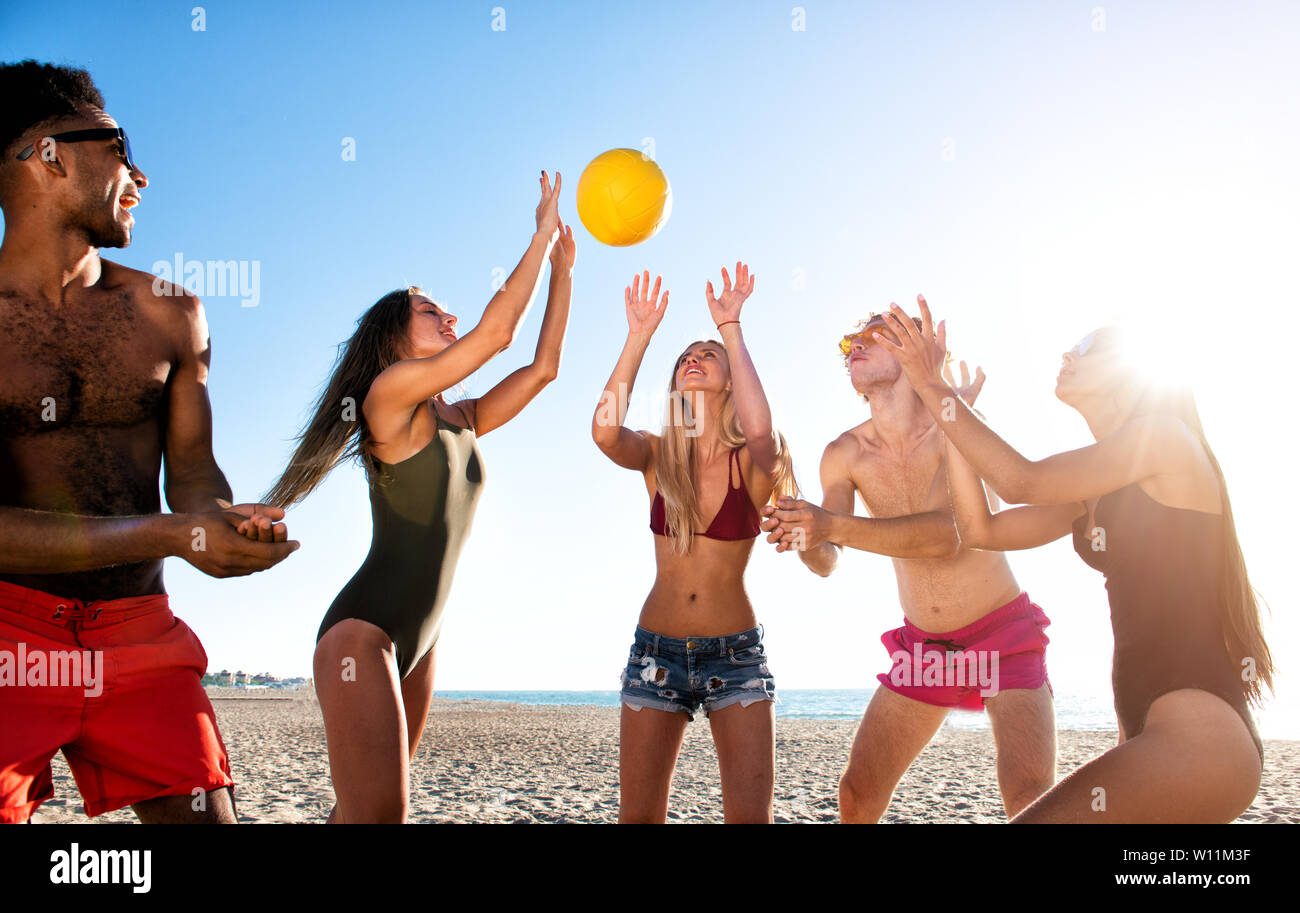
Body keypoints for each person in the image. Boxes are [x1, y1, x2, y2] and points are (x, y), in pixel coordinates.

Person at [0, 60, 298, 824]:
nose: (141, 173)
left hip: (140, 631)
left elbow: (194, 479)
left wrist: (221, 519)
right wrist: (174, 531)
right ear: (50, 157)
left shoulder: (173, 313)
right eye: (120, 145)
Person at [877, 296, 1270, 822]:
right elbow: (981, 529)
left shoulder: (1163, 439)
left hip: (1200, 740)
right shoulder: (1093, 490)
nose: (1068, 352)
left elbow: (1020, 480)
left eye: (1089, 347)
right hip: (1151, 738)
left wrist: (934, 386)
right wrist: (951, 421)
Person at [264, 171, 573, 823]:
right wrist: (539, 233)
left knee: (361, 811)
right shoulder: (389, 397)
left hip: (422, 640)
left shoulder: (461, 415)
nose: (449, 316)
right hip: (362, 634)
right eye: (431, 311)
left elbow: (544, 367)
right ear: (395, 339)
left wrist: (563, 271)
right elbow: (496, 336)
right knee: (381, 816)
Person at [759, 309, 1057, 822]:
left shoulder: (957, 424)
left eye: (876, 332)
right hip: (926, 646)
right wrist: (802, 532)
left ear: (913, 351)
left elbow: (949, 535)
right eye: (852, 337)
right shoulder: (844, 453)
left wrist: (827, 524)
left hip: (1002, 634)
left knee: (1028, 797)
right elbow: (828, 560)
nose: (855, 342)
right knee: (857, 792)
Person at [592, 263, 798, 823]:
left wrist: (730, 326)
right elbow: (605, 432)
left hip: (735, 658)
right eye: (688, 353)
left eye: (709, 354)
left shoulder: (753, 461)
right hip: (654, 655)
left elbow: (760, 431)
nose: (694, 357)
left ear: (731, 379)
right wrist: (638, 338)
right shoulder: (659, 456)